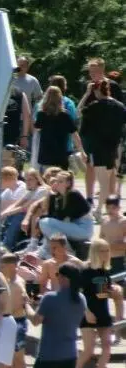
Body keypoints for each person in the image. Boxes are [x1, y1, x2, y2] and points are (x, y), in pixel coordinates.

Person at [79, 59, 125, 203]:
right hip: (90, 133)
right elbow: (81, 108)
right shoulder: (88, 86)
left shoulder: (112, 86)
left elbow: (120, 108)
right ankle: (89, 197)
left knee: (110, 167)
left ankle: (111, 198)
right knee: (90, 166)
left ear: (102, 70)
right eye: (90, 72)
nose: (92, 75)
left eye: (96, 72)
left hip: (109, 134)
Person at [76, 239, 116, 368]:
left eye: (107, 251)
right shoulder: (85, 271)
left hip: (103, 312)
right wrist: (86, 312)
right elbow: (78, 294)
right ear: (95, 252)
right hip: (88, 313)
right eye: (102, 251)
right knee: (88, 350)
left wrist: (112, 292)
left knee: (107, 345)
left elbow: (102, 293)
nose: (106, 254)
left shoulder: (105, 270)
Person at [0, 253, 32, 368]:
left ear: (11, 266)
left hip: (18, 322)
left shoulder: (18, 283)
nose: (0, 268)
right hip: (7, 321)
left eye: (3, 265)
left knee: (19, 360)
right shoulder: (4, 282)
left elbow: (23, 298)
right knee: (10, 360)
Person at [37, 171, 93, 258]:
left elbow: (61, 217)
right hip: (74, 226)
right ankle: (47, 249)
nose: (57, 184)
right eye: (56, 181)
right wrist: (51, 196)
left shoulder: (73, 194)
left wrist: (54, 197)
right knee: (44, 222)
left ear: (68, 183)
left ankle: (67, 252)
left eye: (60, 181)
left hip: (83, 229)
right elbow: (52, 215)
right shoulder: (59, 196)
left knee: (44, 222)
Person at [34, 86, 83, 171]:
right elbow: (74, 134)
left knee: (48, 177)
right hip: (61, 154)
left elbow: (37, 128)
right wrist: (81, 150)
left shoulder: (41, 114)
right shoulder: (65, 115)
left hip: (46, 153)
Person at [101, 196, 126, 276]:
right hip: (105, 259)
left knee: (118, 284)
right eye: (108, 207)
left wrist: (109, 247)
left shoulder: (123, 222)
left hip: (118, 259)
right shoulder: (104, 220)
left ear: (119, 208)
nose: (110, 210)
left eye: (113, 207)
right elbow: (101, 238)